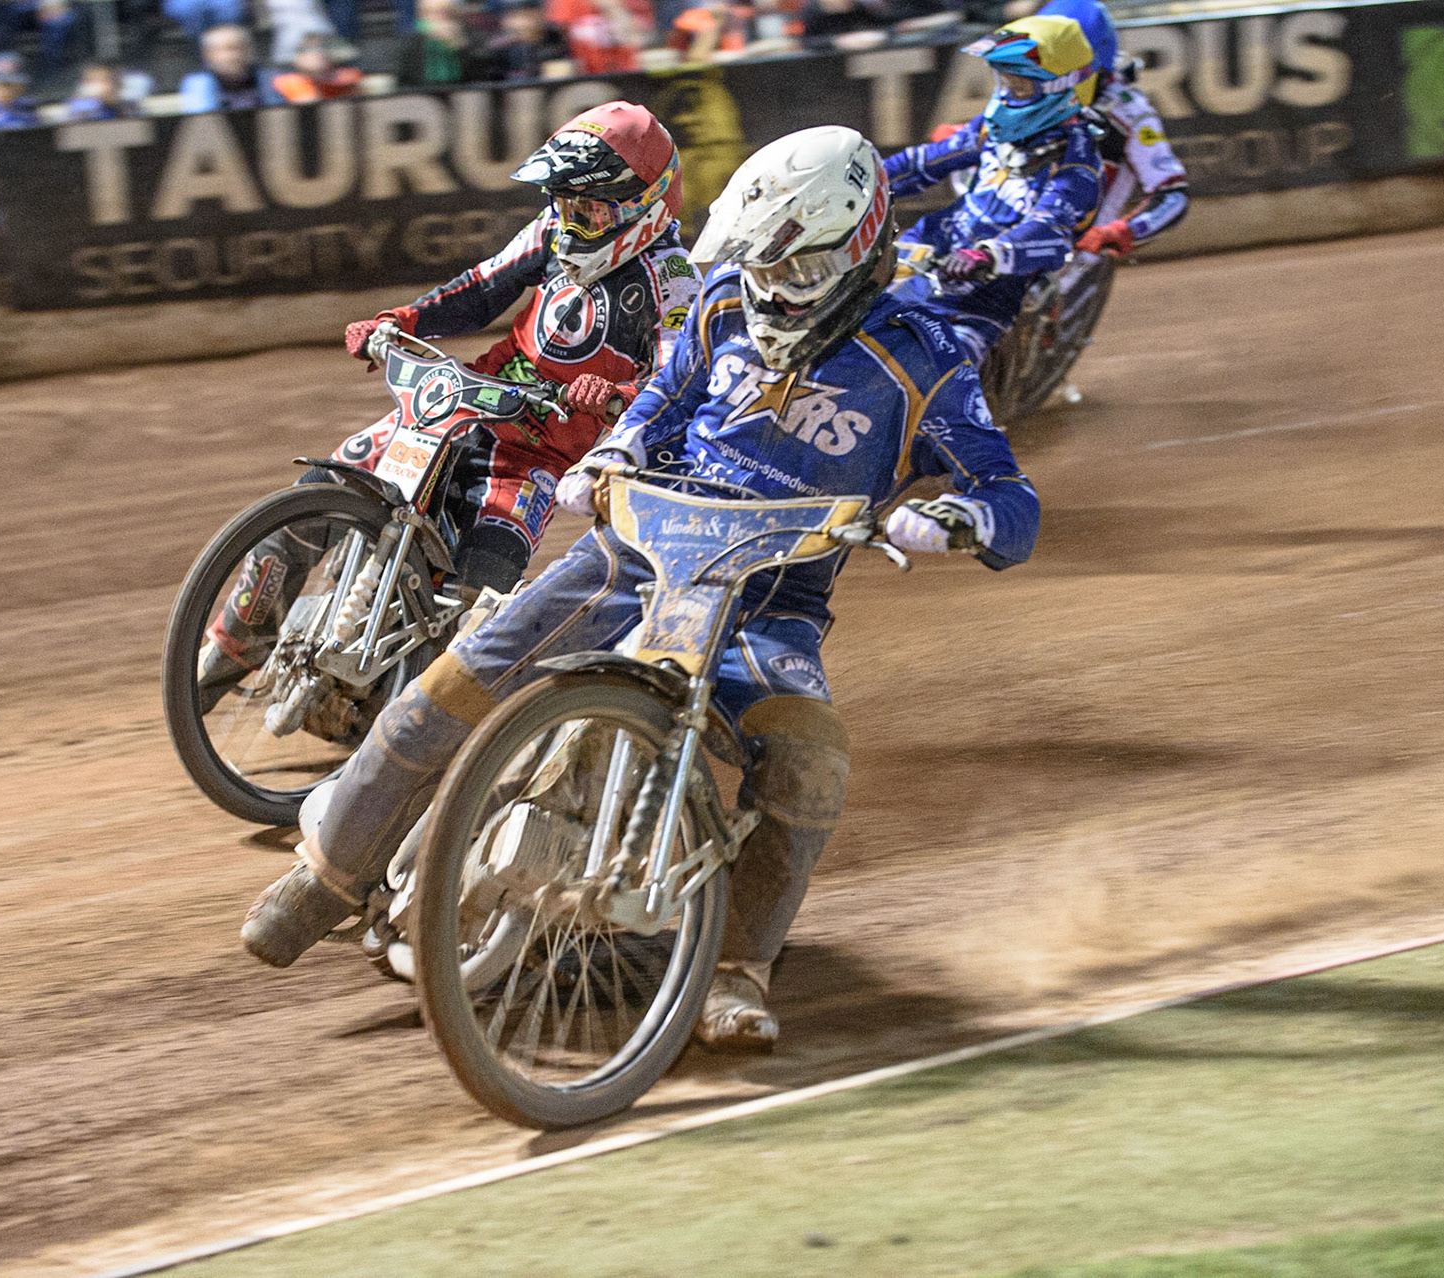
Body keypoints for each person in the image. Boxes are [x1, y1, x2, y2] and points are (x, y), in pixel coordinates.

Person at [238, 125, 1041, 1053]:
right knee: (450, 684)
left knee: (812, 759)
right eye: (759, 264)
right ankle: (327, 874)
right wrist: (619, 448)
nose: (768, 286)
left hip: (767, 606)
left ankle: (738, 967)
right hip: (635, 554)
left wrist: (961, 520)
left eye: (790, 266)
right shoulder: (725, 307)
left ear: (851, 246)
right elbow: (665, 396)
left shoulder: (926, 357)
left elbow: (1009, 494)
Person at [197, 102, 698, 705]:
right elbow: (481, 288)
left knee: (480, 600)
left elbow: (682, 383)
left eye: (585, 207)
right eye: (561, 203)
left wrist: (619, 395)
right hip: (460, 406)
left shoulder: (673, 281)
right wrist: (399, 319)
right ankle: (225, 655)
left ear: (643, 204)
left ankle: (401, 722)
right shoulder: (551, 234)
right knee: (314, 503)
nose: (568, 220)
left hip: (534, 458)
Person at [882, 15, 1104, 364]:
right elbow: (924, 162)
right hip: (930, 245)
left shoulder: (1076, 163)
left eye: (1019, 87)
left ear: (1063, 88)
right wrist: (864, 178)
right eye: (1004, 81)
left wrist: (989, 253)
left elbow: (1050, 227)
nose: (1006, 94)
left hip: (990, 290)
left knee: (947, 371)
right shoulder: (989, 129)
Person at [1038, 0, 1189, 257]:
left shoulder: (1128, 111)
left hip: (1073, 261)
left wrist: (1122, 231)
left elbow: (1173, 195)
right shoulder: (1025, 91)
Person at [178, 25, 287, 112]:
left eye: (236, 48)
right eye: (223, 50)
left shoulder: (267, 79)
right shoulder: (198, 83)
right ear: (207, 54)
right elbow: (203, 121)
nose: (232, 57)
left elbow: (277, 114)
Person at [477, 0, 570, 81]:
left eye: (531, 15)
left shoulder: (555, 40)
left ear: (543, 14)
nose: (525, 23)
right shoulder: (497, 50)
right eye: (516, 16)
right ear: (505, 20)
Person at [272, 34, 364, 100]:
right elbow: (311, 106)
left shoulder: (350, 77)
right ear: (298, 57)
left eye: (321, 48)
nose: (316, 54)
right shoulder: (289, 82)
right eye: (308, 50)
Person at [63, 62, 136, 120]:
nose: (97, 86)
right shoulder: (78, 103)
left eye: (103, 80)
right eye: (92, 81)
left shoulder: (126, 101)